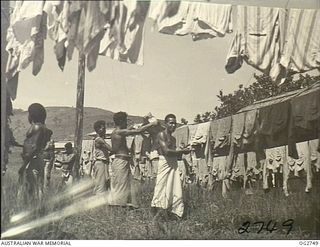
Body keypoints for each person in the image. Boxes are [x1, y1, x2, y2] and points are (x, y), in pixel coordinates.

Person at [110, 111, 158, 208]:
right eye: (125, 121)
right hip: (121, 161)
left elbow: (129, 130)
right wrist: (151, 124)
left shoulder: (117, 131)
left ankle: (122, 206)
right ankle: (117, 208)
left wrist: (132, 127)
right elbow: (138, 131)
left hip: (121, 161)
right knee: (121, 185)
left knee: (124, 185)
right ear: (121, 121)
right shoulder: (119, 131)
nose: (127, 123)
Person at [151, 114, 191, 219]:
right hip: (164, 163)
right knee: (161, 187)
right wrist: (182, 151)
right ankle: (157, 215)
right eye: (171, 123)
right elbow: (166, 151)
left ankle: (175, 213)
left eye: (174, 123)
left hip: (173, 163)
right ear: (165, 124)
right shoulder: (161, 135)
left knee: (175, 187)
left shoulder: (173, 139)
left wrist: (183, 151)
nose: (173, 125)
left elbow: (175, 153)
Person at [19, 103, 51, 205]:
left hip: (33, 159)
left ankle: (33, 209)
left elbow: (34, 146)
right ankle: (39, 208)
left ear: (32, 115)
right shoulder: (44, 128)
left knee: (31, 185)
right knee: (38, 185)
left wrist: (24, 164)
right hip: (39, 158)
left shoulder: (36, 127)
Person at [92, 120, 113, 194]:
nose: (105, 130)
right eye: (103, 129)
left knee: (106, 182)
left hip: (104, 162)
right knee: (101, 184)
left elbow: (108, 152)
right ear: (98, 129)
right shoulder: (99, 140)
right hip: (100, 163)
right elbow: (110, 149)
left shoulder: (101, 139)